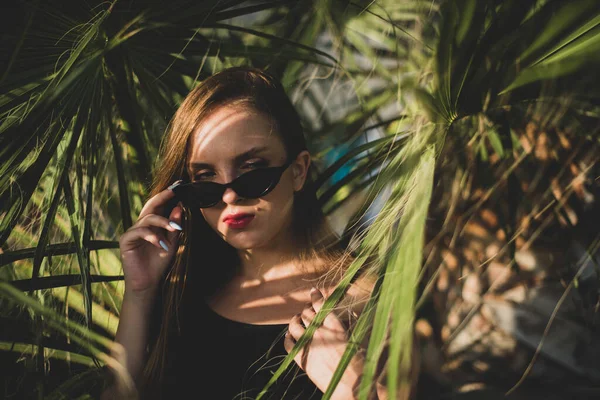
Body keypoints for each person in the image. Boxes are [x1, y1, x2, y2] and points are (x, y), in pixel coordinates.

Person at [100, 66, 392, 400]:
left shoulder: (363, 299)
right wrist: (140, 292)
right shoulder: (181, 295)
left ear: (298, 171)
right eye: (206, 179)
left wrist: (353, 388)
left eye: (252, 170)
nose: (229, 196)